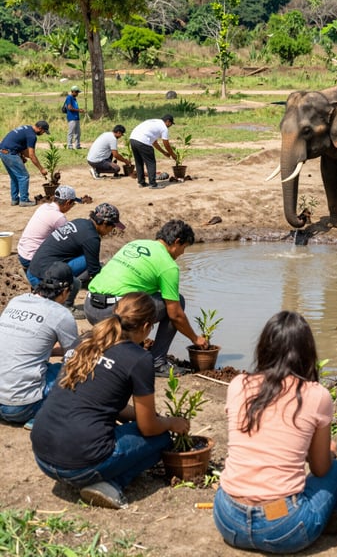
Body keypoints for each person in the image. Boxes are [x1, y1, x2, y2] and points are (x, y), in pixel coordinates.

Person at [30, 292, 189, 510]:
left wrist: (144, 416)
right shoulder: (139, 358)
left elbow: (100, 400)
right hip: (77, 466)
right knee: (161, 439)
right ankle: (110, 484)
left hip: (42, 455)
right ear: (146, 326)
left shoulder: (85, 340)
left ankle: (94, 474)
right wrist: (170, 423)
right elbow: (148, 427)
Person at [213, 311, 337, 553]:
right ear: (307, 353)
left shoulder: (237, 385)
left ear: (264, 348)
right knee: (335, 469)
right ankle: (335, 517)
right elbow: (320, 469)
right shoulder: (316, 395)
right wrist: (330, 452)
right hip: (282, 526)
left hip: (227, 518)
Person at [84, 219, 204, 376]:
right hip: (112, 314)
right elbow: (175, 314)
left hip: (90, 307)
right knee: (177, 302)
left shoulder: (135, 244)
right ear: (177, 242)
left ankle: (130, 343)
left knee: (143, 295)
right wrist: (195, 339)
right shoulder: (168, 266)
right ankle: (157, 362)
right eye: (184, 247)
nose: (182, 253)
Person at [0, 262, 79, 426]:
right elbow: (75, 358)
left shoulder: (17, 301)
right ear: (65, 291)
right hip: (19, 408)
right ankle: (40, 416)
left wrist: (52, 352)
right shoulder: (61, 315)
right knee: (75, 371)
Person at [27, 203, 124, 308]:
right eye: (113, 226)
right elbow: (94, 270)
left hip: (32, 270)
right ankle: (67, 306)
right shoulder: (92, 238)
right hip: (42, 278)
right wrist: (110, 287)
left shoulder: (80, 222)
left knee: (90, 259)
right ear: (104, 223)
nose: (112, 230)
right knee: (78, 279)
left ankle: (81, 283)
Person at [17, 185, 82, 271]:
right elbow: (70, 241)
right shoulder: (59, 217)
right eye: (72, 204)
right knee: (75, 256)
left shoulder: (44, 207)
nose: (71, 207)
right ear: (67, 202)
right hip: (31, 259)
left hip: (22, 254)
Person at [0, 120, 49, 206]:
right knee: (24, 176)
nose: (43, 133)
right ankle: (24, 200)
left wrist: (22, 157)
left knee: (15, 177)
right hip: (10, 153)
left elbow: (19, 145)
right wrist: (41, 169)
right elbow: (31, 154)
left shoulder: (27, 128)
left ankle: (15, 200)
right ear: (40, 128)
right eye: (44, 131)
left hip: (3, 152)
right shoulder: (32, 136)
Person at [129, 115, 177, 188]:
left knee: (139, 162)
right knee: (151, 163)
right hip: (143, 141)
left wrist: (163, 152)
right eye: (170, 124)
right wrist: (173, 154)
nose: (170, 126)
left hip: (133, 139)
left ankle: (141, 182)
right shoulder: (164, 128)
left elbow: (154, 142)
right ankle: (153, 184)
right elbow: (166, 143)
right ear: (167, 122)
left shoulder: (155, 122)